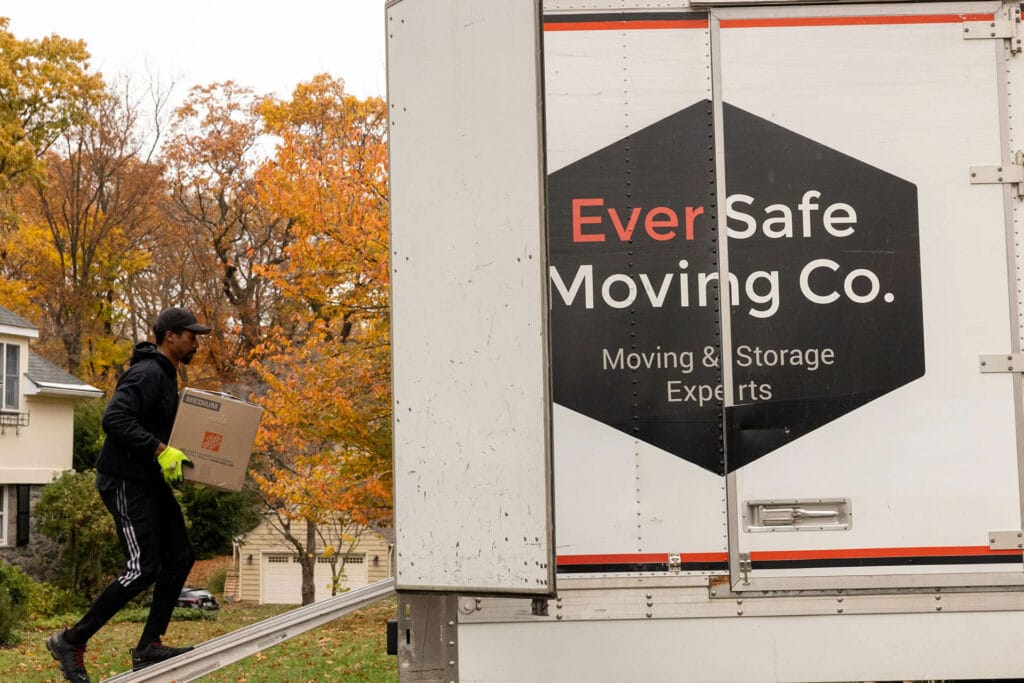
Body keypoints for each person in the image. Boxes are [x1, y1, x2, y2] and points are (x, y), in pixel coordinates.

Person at [47, 307, 211, 682]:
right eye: (191, 335)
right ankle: (70, 641)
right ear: (170, 336)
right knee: (142, 568)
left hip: (148, 481)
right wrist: (159, 450)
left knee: (181, 554)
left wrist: (175, 457)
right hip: (124, 481)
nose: (195, 343)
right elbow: (114, 418)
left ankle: (149, 645)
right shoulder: (148, 372)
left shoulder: (166, 376)